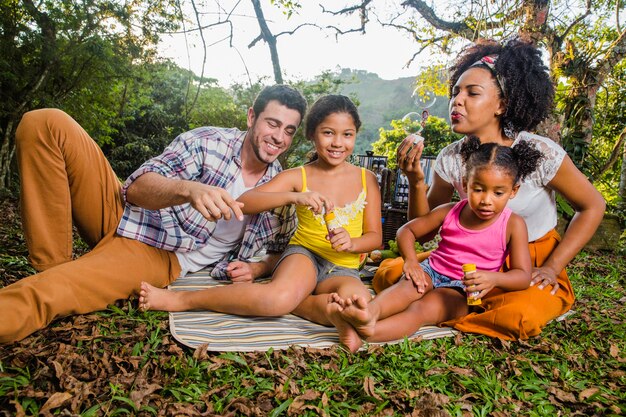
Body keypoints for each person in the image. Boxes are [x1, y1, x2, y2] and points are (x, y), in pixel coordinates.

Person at [0, 84, 307, 344]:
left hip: (157, 251)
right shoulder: (209, 142)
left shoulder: (282, 187)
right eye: (273, 123)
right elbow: (137, 188)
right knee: (46, 122)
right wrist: (189, 189)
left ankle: (48, 286)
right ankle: (53, 265)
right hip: (124, 211)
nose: (279, 137)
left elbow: (280, 252)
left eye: (289, 131)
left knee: (47, 293)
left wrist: (257, 269)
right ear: (252, 117)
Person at [373, 37, 606, 340]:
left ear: (501, 104)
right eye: (455, 92)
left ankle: (454, 304)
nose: (457, 101)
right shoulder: (452, 157)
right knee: (390, 275)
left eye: (472, 93)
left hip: (526, 265)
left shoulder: (540, 152)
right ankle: (453, 301)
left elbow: (593, 206)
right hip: (466, 261)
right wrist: (417, 182)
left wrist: (551, 267)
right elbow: (425, 228)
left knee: (519, 315)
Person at [139, 95, 383, 350]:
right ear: (312, 134)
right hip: (305, 256)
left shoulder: (368, 180)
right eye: (328, 133)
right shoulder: (298, 176)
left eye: (347, 135)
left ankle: (313, 306)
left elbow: (375, 237)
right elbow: (246, 200)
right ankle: (182, 300)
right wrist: (295, 197)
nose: (337, 143)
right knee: (277, 299)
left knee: (360, 306)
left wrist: (352, 243)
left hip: (344, 268)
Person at [333, 136, 543, 351]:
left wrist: (493, 278)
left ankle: (369, 333)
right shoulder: (450, 210)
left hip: (462, 290)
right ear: (465, 184)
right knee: (405, 289)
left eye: (498, 193)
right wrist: (412, 262)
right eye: (478, 189)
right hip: (431, 271)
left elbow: (522, 276)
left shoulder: (513, 224)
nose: (486, 200)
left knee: (421, 309)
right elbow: (407, 231)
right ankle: (367, 314)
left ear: (513, 191)